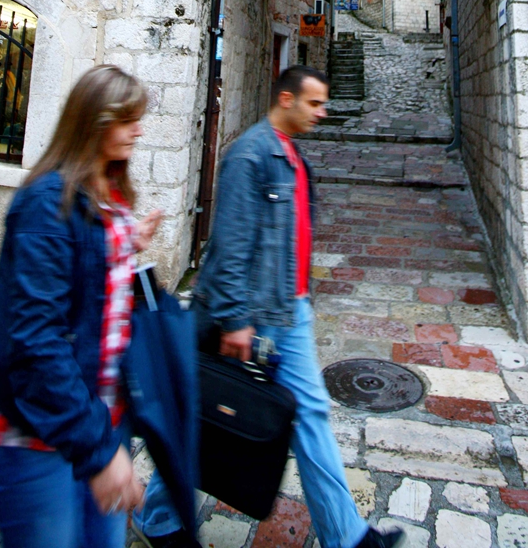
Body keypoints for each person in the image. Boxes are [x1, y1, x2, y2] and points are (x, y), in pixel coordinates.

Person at [142, 66, 404, 548]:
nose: (322, 113)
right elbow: (231, 243)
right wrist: (237, 320)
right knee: (207, 414)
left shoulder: (290, 154)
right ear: (286, 98)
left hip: (288, 310)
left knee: (300, 418)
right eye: (315, 103)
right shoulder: (251, 155)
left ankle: (348, 538)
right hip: (256, 317)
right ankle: (159, 518)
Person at [0, 65, 165, 548]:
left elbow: (88, 271)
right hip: (44, 434)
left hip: (101, 424)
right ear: (93, 122)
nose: (139, 130)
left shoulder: (106, 193)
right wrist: (99, 452)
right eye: (127, 120)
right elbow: (36, 340)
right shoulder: (46, 204)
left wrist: (129, 242)